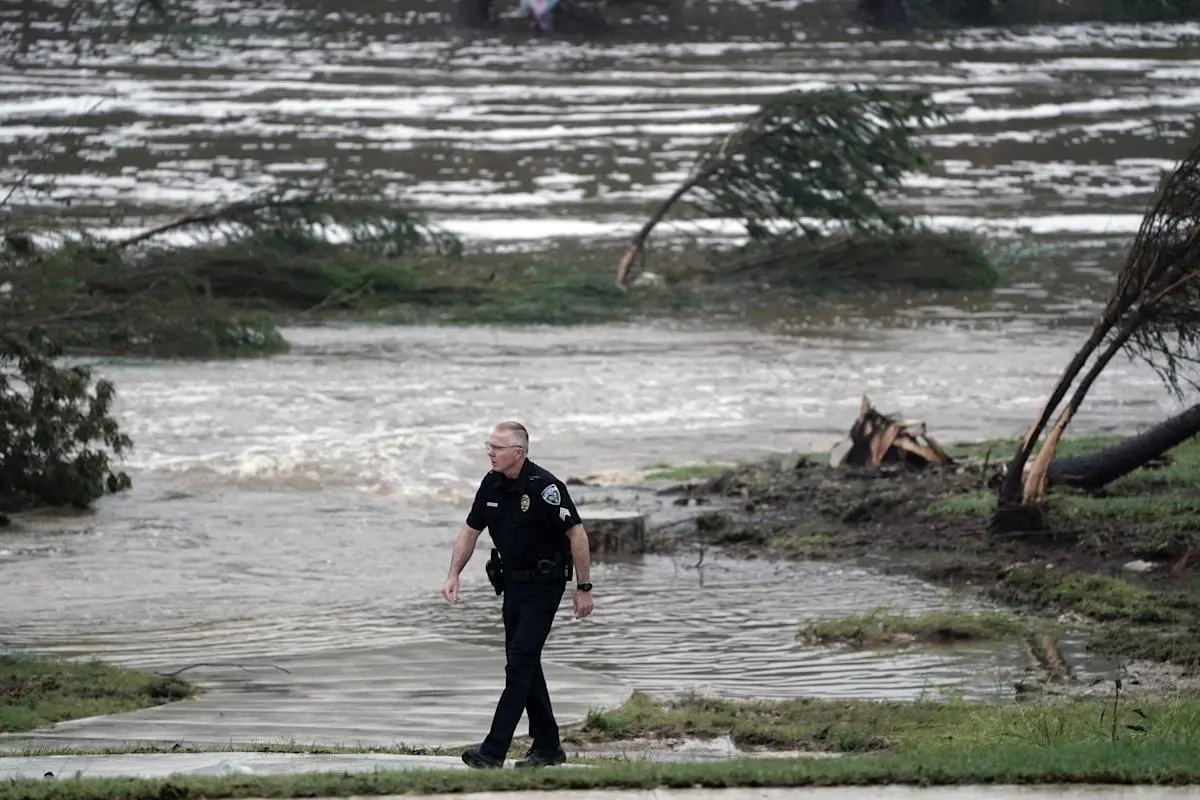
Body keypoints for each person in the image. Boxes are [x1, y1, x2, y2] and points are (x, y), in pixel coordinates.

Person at [441, 420, 594, 769]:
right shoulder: (491, 483)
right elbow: (470, 531)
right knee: (525, 662)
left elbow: (577, 535)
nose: (490, 453)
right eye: (489, 446)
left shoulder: (545, 487)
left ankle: (493, 751)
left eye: (497, 448)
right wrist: (453, 574)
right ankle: (549, 747)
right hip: (512, 585)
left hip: (544, 585)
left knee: (519, 663)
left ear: (518, 453)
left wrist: (583, 587)